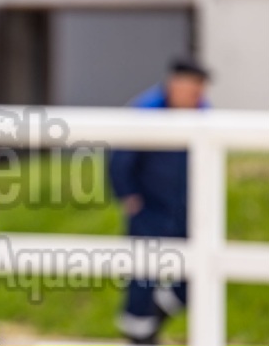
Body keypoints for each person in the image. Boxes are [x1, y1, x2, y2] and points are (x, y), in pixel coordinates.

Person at [109, 58, 210, 344]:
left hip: (187, 210)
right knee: (143, 275)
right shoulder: (146, 111)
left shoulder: (204, 112)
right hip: (149, 209)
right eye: (191, 88)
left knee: (195, 273)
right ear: (175, 84)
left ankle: (156, 315)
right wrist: (127, 195)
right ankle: (138, 335)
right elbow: (121, 158)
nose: (195, 95)